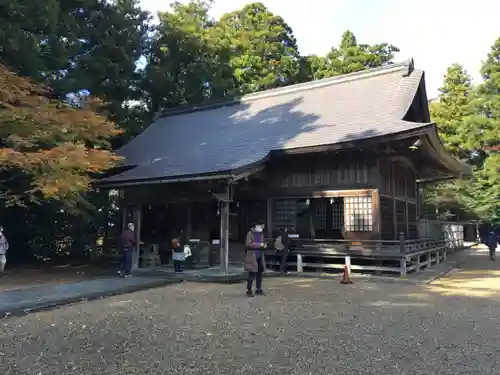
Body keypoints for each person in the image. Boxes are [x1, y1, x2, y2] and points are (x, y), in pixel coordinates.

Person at [245, 222, 267, 297]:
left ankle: (258, 289)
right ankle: (249, 290)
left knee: (259, 274)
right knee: (251, 274)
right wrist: (260, 245)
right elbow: (248, 244)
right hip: (252, 256)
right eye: (261, 226)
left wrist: (264, 245)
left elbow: (262, 242)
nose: (262, 228)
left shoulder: (261, 234)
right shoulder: (250, 233)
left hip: (260, 256)